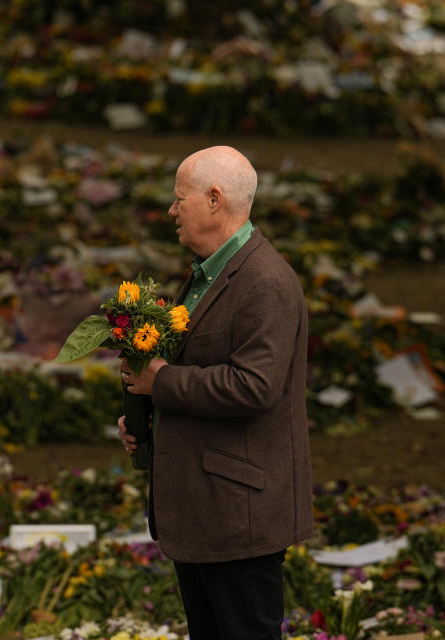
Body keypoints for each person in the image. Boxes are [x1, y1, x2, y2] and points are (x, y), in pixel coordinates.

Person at [118, 146, 313, 639]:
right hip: (209, 506)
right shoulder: (210, 272)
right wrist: (147, 418)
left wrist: (159, 382)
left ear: (213, 199)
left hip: (239, 514)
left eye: (178, 198)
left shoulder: (265, 281)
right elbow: (201, 366)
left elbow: (254, 386)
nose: (171, 210)